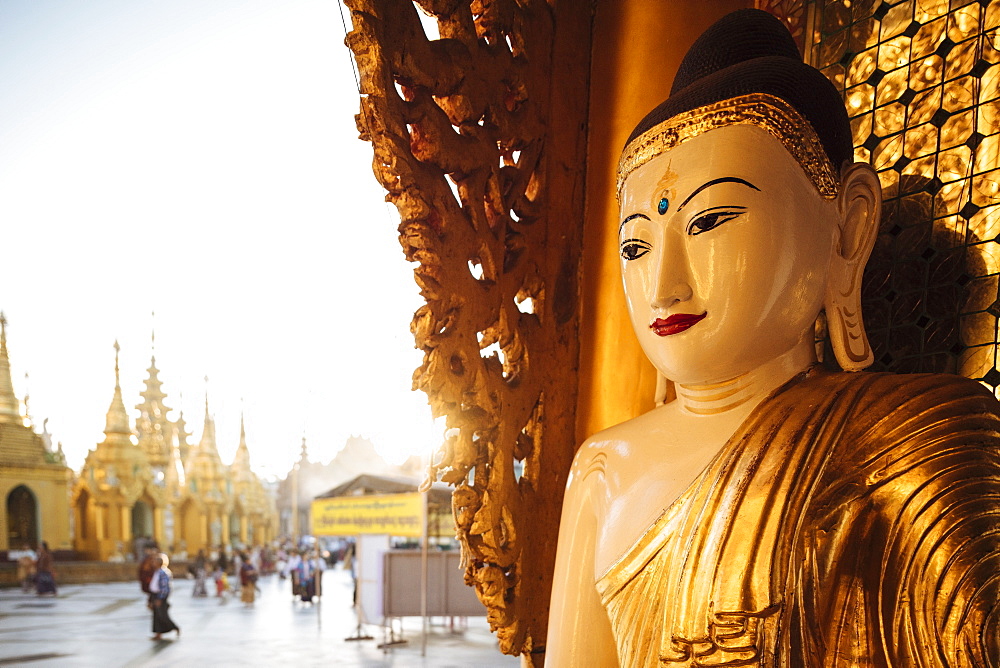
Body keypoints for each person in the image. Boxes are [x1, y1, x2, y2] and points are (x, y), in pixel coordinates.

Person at [546, 10, 1000, 667]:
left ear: (844, 230)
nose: (664, 286)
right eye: (637, 244)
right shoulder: (602, 468)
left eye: (710, 221)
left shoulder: (915, 442)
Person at [148, 553, 180, 640]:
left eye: (154, 561)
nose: (153, 563)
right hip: (155, 595)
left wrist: (160, 598)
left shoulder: (163, 572)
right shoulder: (157, 572)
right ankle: (158, 634)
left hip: (160, 596)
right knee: (156, 616)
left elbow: (165, 587)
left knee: (162, 615)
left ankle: (175, 627)